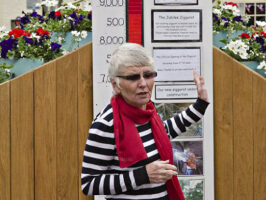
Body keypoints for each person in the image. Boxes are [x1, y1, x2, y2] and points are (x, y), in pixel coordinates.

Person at [81, 43, 209, 200]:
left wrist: (200, 105)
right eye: (133, 77)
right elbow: (88, 184)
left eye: (148, 75)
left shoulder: (147, 111)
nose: (143, 83)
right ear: (116, 85)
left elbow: (165, 131)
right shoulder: (106, 124)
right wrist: (144, 174)